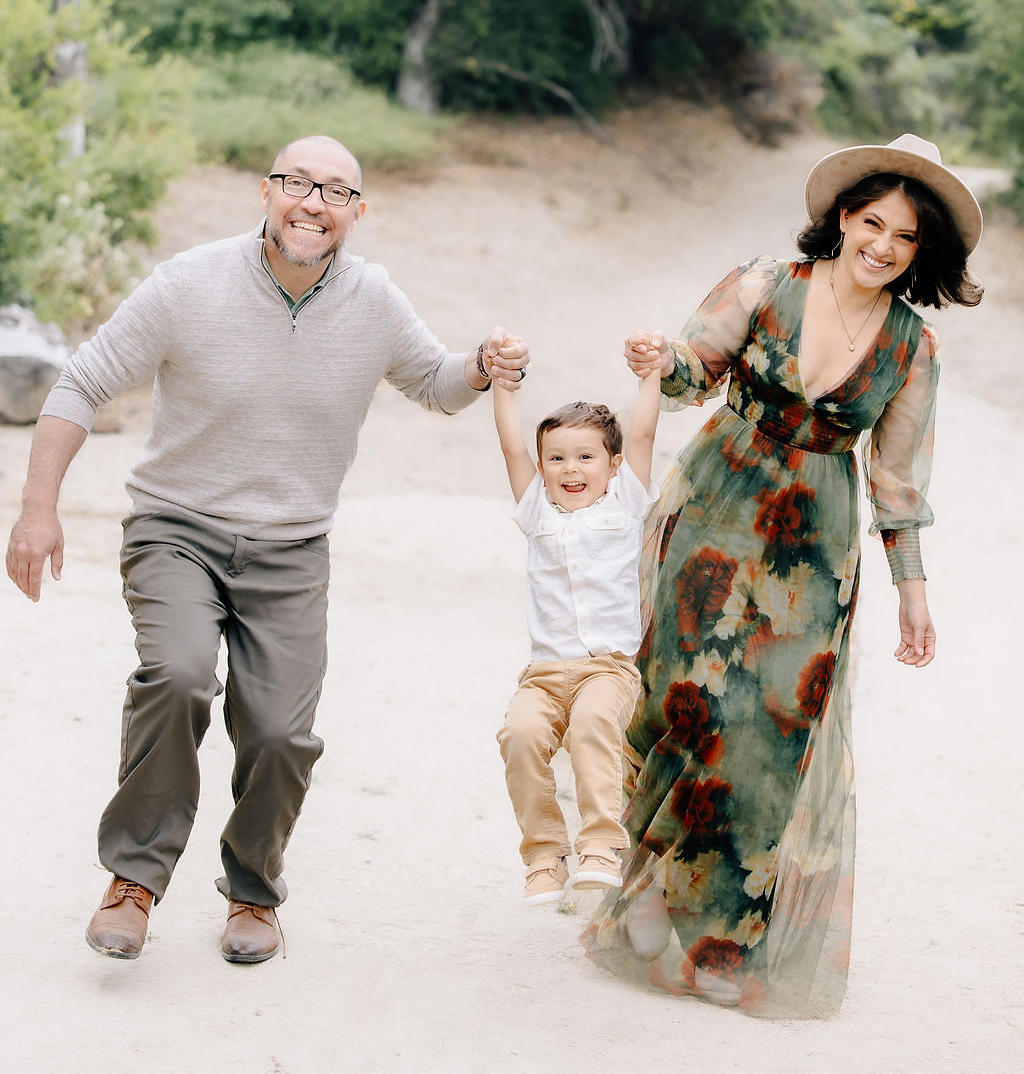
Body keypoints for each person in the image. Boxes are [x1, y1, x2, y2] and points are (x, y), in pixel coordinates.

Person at [5, 134, 529, 966]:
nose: (313, 202)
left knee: (281, 734)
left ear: (358, 212)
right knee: (177, 678)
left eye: (335, 191)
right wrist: (38, 510)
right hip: (177, 530)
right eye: (297, 183)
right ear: (265, 192)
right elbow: (83, 380)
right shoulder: (190, 282)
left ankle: (253, 892)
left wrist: (483, 364)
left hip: (291, 551)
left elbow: (434, 381)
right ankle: (133, 881)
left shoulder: (375, 299)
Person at [583, 133, 983, 1018]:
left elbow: (898, 479)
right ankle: (652, 892)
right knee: (689, 701)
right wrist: (658, 359)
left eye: (904, 236)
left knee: (770, 737)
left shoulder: (914, 346)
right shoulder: (766, 283)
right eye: (870, 221)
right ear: (842, 217)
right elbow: (695, 372)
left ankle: (725, 934)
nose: (881, 245)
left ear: (924, 253)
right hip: (716, 512)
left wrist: (913, 589)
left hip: (815, 546)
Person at [492, 356, 661, 905]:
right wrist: (501, 388)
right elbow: (512, 446)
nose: (571, 467)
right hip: (543, 674)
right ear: (543, 468)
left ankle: (599, 847)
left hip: (606, 669)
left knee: (592, 723)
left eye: (586, 457)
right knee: (517, 736)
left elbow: (643, 430)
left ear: (612, 466)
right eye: (557, 457)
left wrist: (651, 374)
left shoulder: (626, 505)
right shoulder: (537, 512)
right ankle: (544, 855)